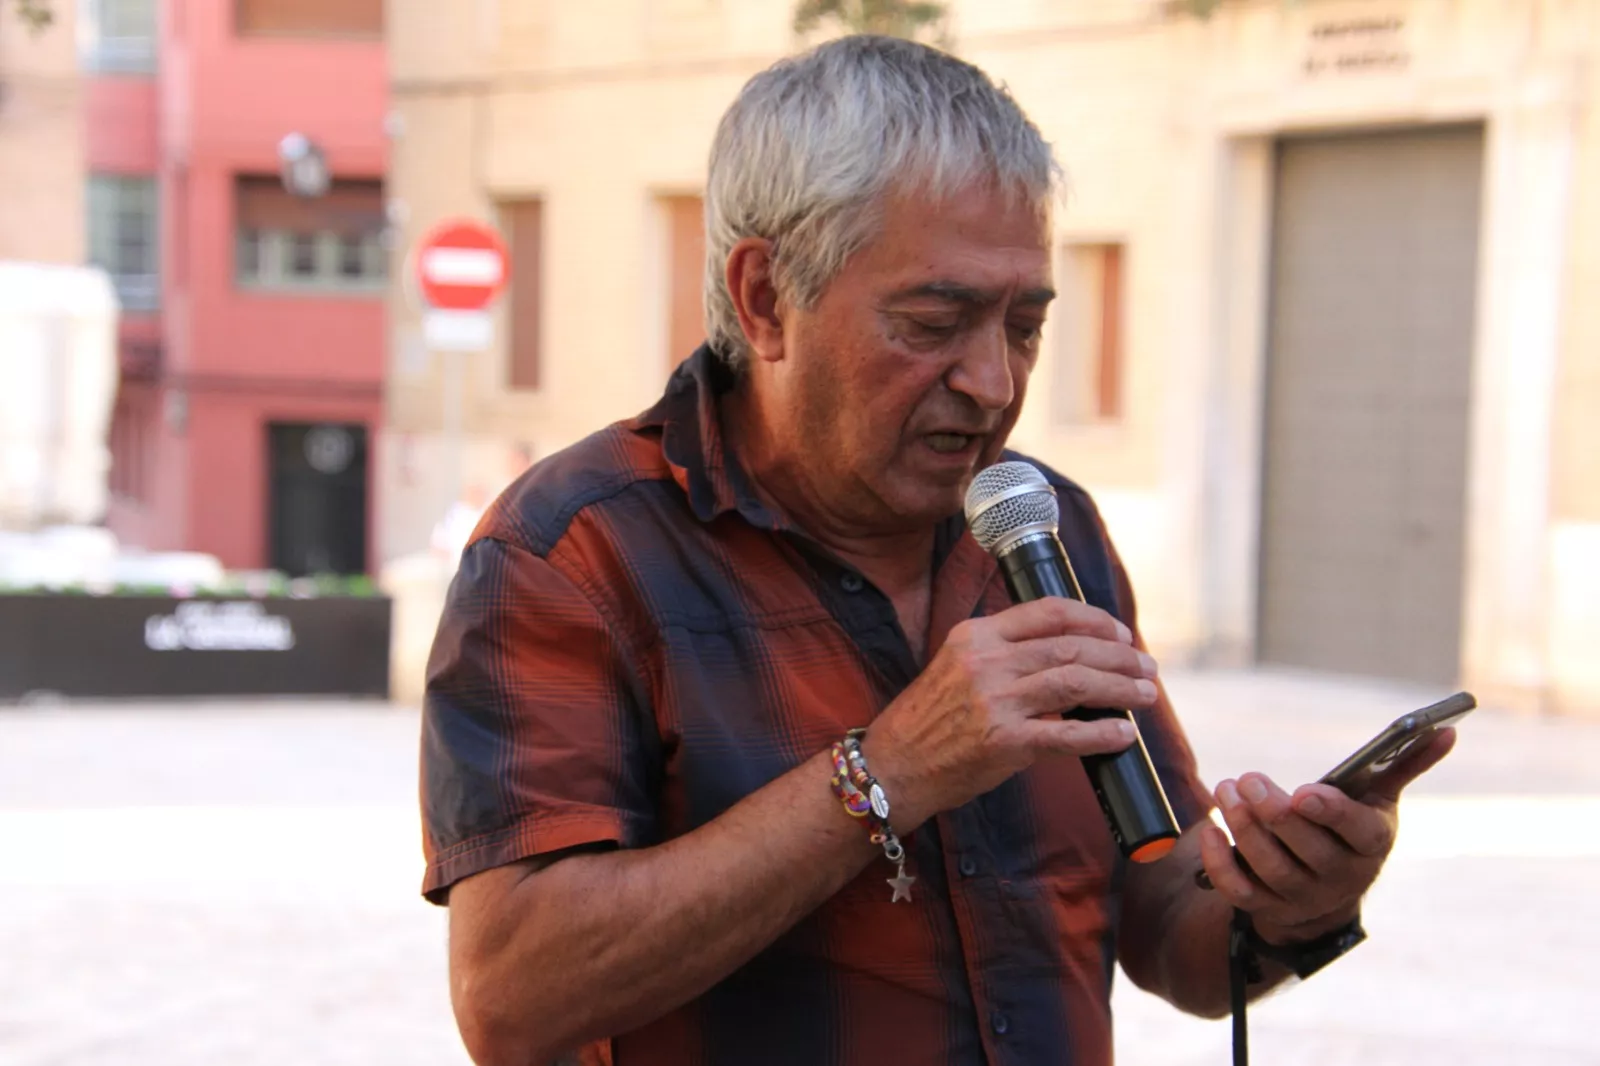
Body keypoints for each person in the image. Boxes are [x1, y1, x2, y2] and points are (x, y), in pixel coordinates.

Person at [420, 35, 1454, 1066]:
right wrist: (887, 773)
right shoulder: (574, 553)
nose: (994, 383)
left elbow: (1169, 932)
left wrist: (1289, 900)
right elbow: (512, 995)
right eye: (935, 320)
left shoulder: (1048, 525)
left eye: (1024, 325)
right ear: (766, 299)